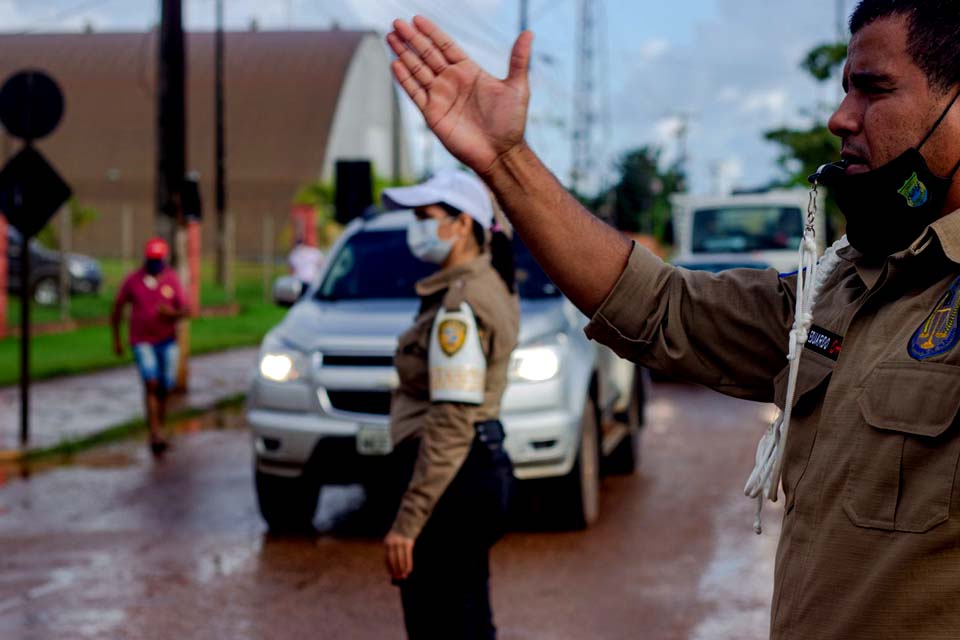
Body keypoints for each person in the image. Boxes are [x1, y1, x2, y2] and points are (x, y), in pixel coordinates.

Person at [386, 2, 960, 638]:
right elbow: (660, 306)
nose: (840, 117)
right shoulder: (844, 287)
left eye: (873, 89)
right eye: (844, 88)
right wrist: (505, 161)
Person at [380, 169, 518, 639]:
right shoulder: (480, 286)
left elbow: (451, 422)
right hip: (468, 474)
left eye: (425, 217)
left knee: (439, 623)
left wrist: (408, 520)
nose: (415, 228)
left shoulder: (460, 305)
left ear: (462, 224)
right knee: (467, 618)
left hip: (451, 482)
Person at [111, 238, 188, 455]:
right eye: (151, 259)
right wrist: (116, 339)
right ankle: (154, 432)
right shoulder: (133, 280)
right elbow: (117, 308)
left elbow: (185, 309)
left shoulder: (171, 280)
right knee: (151, 383)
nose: (154, 263)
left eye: (158, 259)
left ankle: (159, 427)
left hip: (167, 341)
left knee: (165, 386)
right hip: (142, 341)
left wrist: (171, 314)